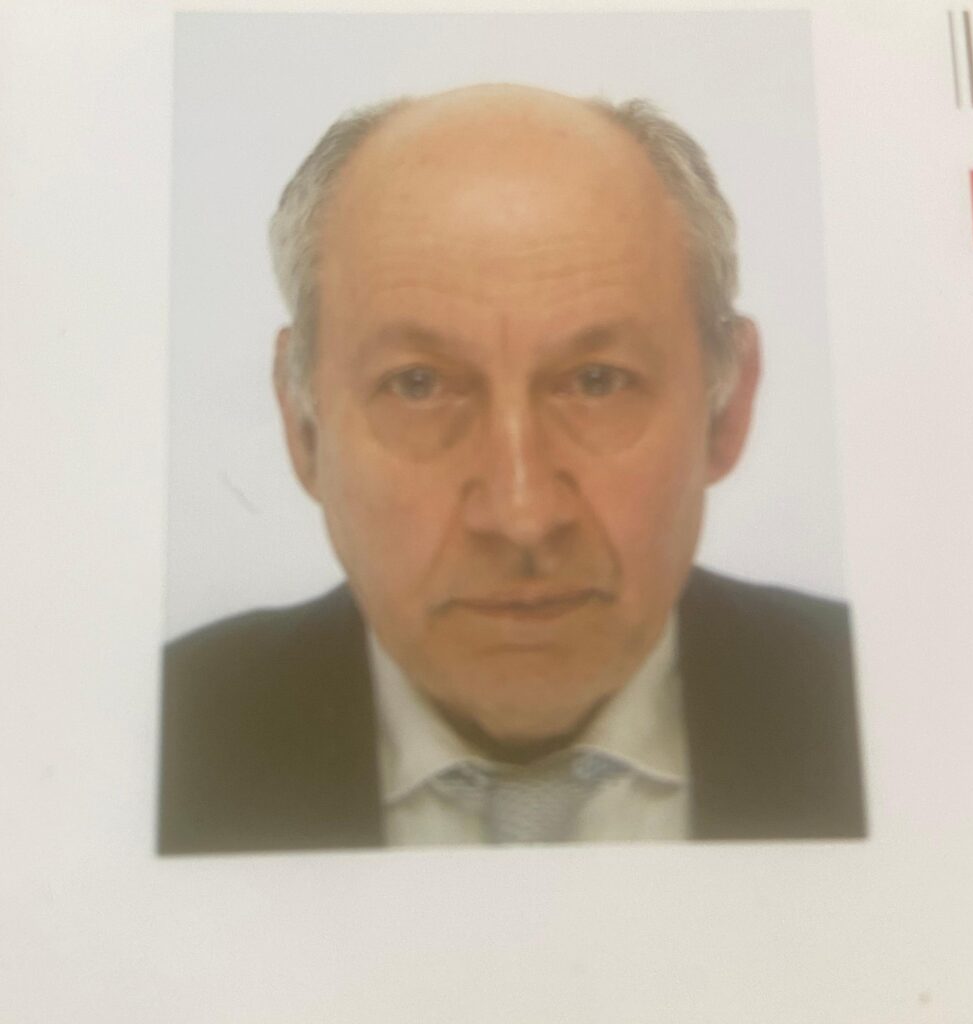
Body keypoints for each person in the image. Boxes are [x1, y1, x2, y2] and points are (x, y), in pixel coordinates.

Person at [158, 83, 865, 852]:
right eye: (418, 385)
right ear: (304, 428)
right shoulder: (161, 742)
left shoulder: (891, 704)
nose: (522, 516)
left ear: (725, 410)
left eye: (597, 381)